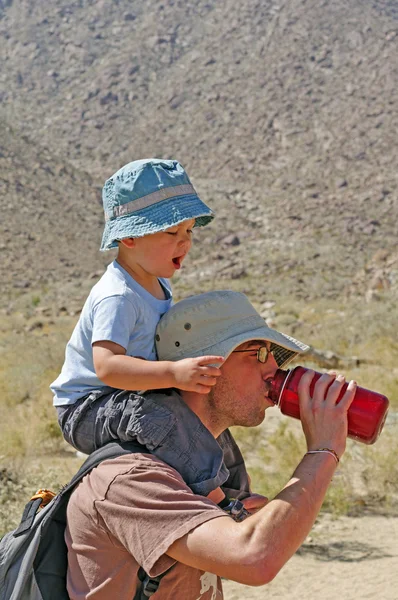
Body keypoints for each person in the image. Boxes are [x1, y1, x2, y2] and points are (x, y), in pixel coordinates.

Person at [65, 290, 357, 600]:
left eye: (273, 353)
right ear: (203, 367)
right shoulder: (130, 478)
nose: (274, 367)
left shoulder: (207, 469)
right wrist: (323, 450)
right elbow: (255, 559)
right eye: (257, 352)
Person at [50, 158, 239, 501]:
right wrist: (172, 372)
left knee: (206, 414)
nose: (185, 242)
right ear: (130, 237)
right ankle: (217, 504)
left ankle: (236, 490)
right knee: (160, 415)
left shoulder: (157, 284)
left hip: (129, 395)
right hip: (88, 407)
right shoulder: (118, 295)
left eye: (189, 231)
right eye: (171, 232)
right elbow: (107, 367)